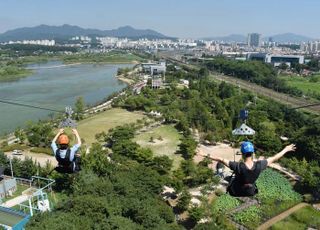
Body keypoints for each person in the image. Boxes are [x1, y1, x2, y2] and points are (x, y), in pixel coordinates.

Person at [200, 141, 296, 197]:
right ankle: (221, 174)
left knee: (224, 173)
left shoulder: (237, 166)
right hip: (250, 192)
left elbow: (220, 159)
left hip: (235, 191)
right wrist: (286, 149)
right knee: (234, 176)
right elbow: (275, 157)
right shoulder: (260, 165)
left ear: (242, 153)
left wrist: (204, 154)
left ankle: (220, 174)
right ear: (253, 153)